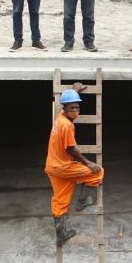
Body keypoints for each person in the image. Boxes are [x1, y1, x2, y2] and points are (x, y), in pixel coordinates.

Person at [45, 85, 104, 246]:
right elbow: (71, 149)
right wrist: (88, 162)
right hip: (63, 167)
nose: (75, 110)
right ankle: (83, 201)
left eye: (77, 107)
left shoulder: (59, 118)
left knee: (60, 201)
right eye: (72, 107)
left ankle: (61, 235)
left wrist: (74, 91)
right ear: (64, 108)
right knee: (97, 172)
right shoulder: (67, 125)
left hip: (52, 167)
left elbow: (68, 101)